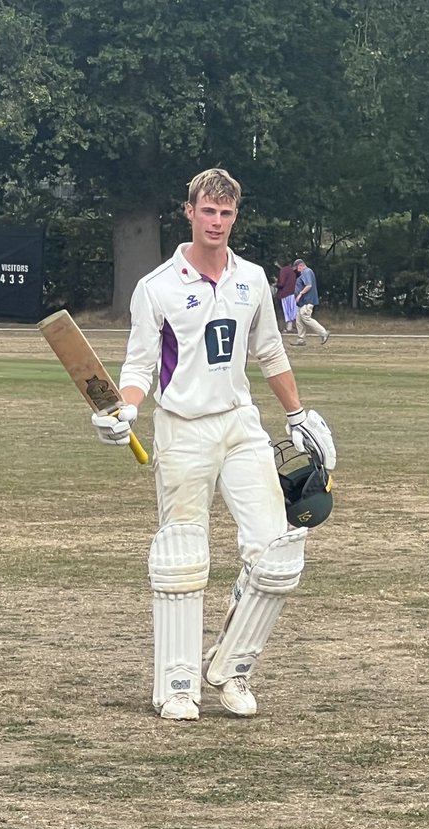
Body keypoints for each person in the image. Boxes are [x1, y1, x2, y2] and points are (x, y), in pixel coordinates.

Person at [91, 167, 336, 722]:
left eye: (226, 213)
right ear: (190, 212)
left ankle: (231, 669)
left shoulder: (250, 279)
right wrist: (125, 408)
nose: (217, 222)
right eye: (208, 211)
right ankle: (177, 685)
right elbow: (139, 365)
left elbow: (271, 353)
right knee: (182, 556)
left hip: (240, 423)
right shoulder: (156, 287)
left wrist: (298, 415)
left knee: (277, 552)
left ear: (234, 216)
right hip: (183, 428)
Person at [292, 256, 330, 346]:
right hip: (302, 302)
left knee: (305, 317)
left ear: (301, 265)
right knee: (299, 319)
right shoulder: (303, 273)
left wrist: (300, 294)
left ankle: (323, 333)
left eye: (297, 268)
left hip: (307, 301)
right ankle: (301, 339)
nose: (297, 271)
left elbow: (309, 285)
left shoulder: (307, 272)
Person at [273, 259, 297, 332]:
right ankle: (290, 327)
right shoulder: (291, 271)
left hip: (285, 293)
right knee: (292, 310)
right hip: (292, 293)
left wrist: (276, 285)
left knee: (287, 311)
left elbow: (282, 283)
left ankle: (288, 328)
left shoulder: (283, 270)